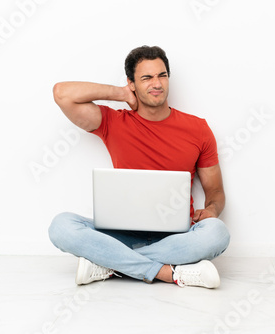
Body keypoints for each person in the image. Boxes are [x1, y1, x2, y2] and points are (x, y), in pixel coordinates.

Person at [48, 46, 230, 288]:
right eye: (146, 78)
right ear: (131, 83)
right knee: (61, 226)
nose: (157, 84)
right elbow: (62, 93)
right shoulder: (114, 122)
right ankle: (168, 273)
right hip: (120, 234)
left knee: (217, 233)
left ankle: (111, 265)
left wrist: (212, 210)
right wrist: (121, 94)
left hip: (177, 235)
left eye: (162, 75)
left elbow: (215, 191)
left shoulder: (198, 129)